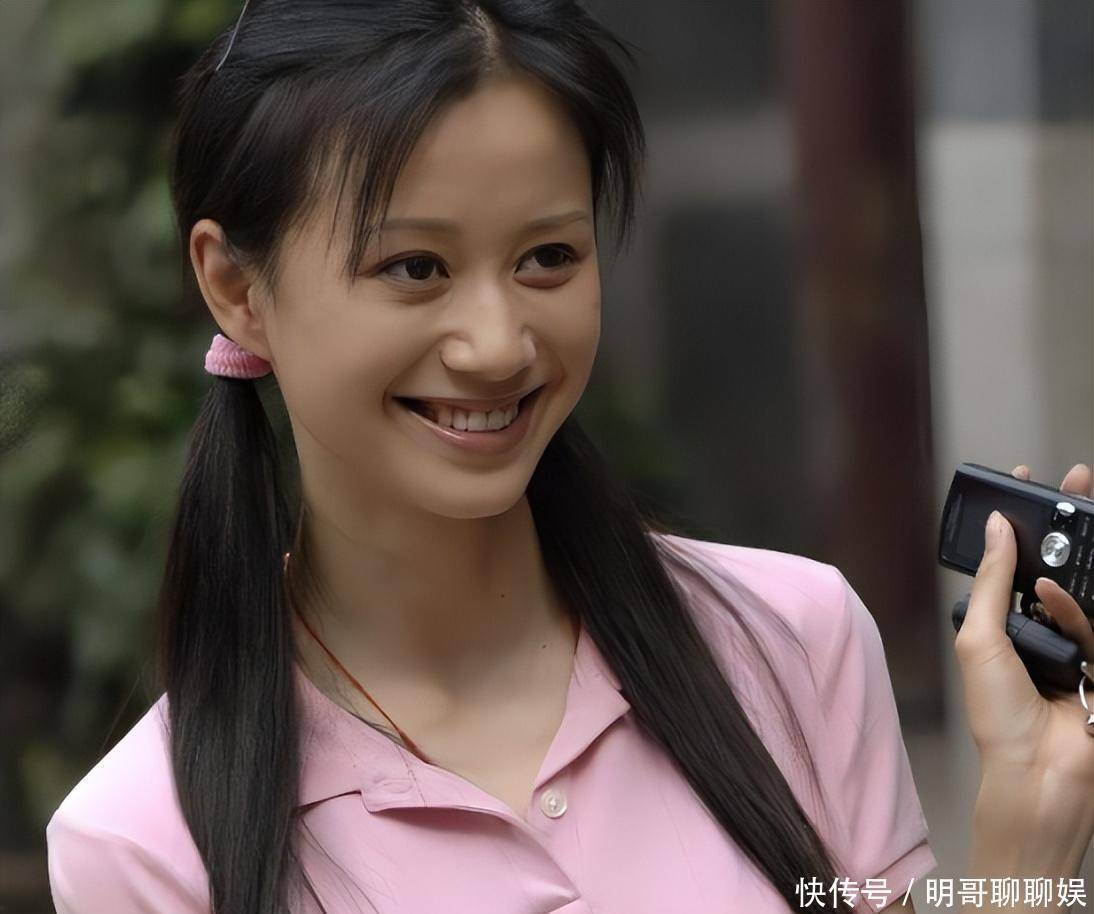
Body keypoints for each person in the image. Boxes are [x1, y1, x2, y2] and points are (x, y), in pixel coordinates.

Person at [44, 1, 1094, 912]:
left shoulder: (792, 642)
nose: (497, 344)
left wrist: (1028, 848)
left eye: (547, 256)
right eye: (414, 267)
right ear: (236, 288)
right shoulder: (144, 844)